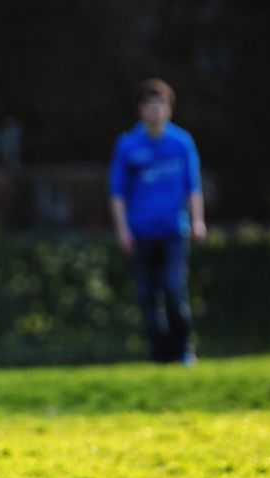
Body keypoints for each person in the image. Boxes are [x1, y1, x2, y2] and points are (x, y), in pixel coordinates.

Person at [109, 78, 207, 365]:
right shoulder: (127, 146)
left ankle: (184, 349)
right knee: (147, 296)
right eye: (149, 104)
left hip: (174, 230)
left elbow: (194, 186)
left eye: (160, 104)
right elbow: (117, 194)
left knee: (174, 289)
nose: (155, 110)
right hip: (140, 233)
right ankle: (161, 356)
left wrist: (198, 220)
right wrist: (122, 230)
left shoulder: (181, 142)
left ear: (169, 109)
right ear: (141, 109)